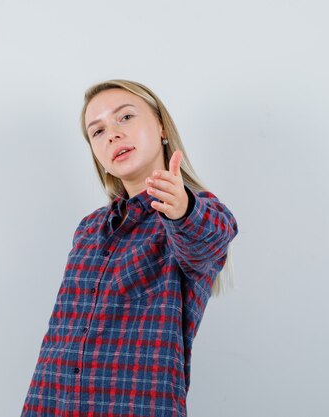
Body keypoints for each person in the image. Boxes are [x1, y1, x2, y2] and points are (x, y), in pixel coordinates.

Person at [20, 79, 239, 417]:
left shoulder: (192, 213)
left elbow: (208, 240)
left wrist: (181, 208)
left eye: (125, 117)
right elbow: (59, 341)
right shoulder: (89, 230)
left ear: (161, 126)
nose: (112, 134)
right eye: (97, 131)